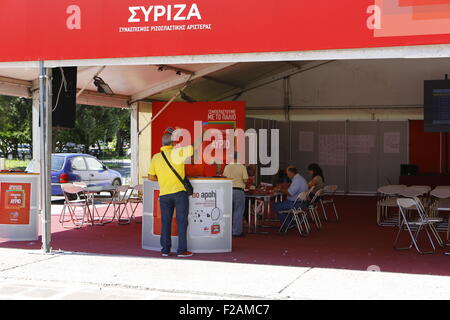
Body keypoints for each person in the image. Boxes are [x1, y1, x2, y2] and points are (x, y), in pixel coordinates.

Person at [148, 129, 194, 258]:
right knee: (182, 221)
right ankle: (182, 251)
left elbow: (151, 177)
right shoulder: (178, 152)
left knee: (166, 222)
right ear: (173, 142)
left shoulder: (156, 157)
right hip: (179, 193)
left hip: (164, 194)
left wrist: (162, 179)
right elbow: (193, 147)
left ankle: (165, 250)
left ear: (162, 144)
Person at [223, 154, 248, 237]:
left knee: (228, 211)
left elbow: (224, 178)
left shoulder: (227, 167)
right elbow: (245, 180)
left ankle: (227, 230)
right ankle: (236, 231)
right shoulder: (242, 167)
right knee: (238, 211)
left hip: (228, 190)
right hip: (239, 191)